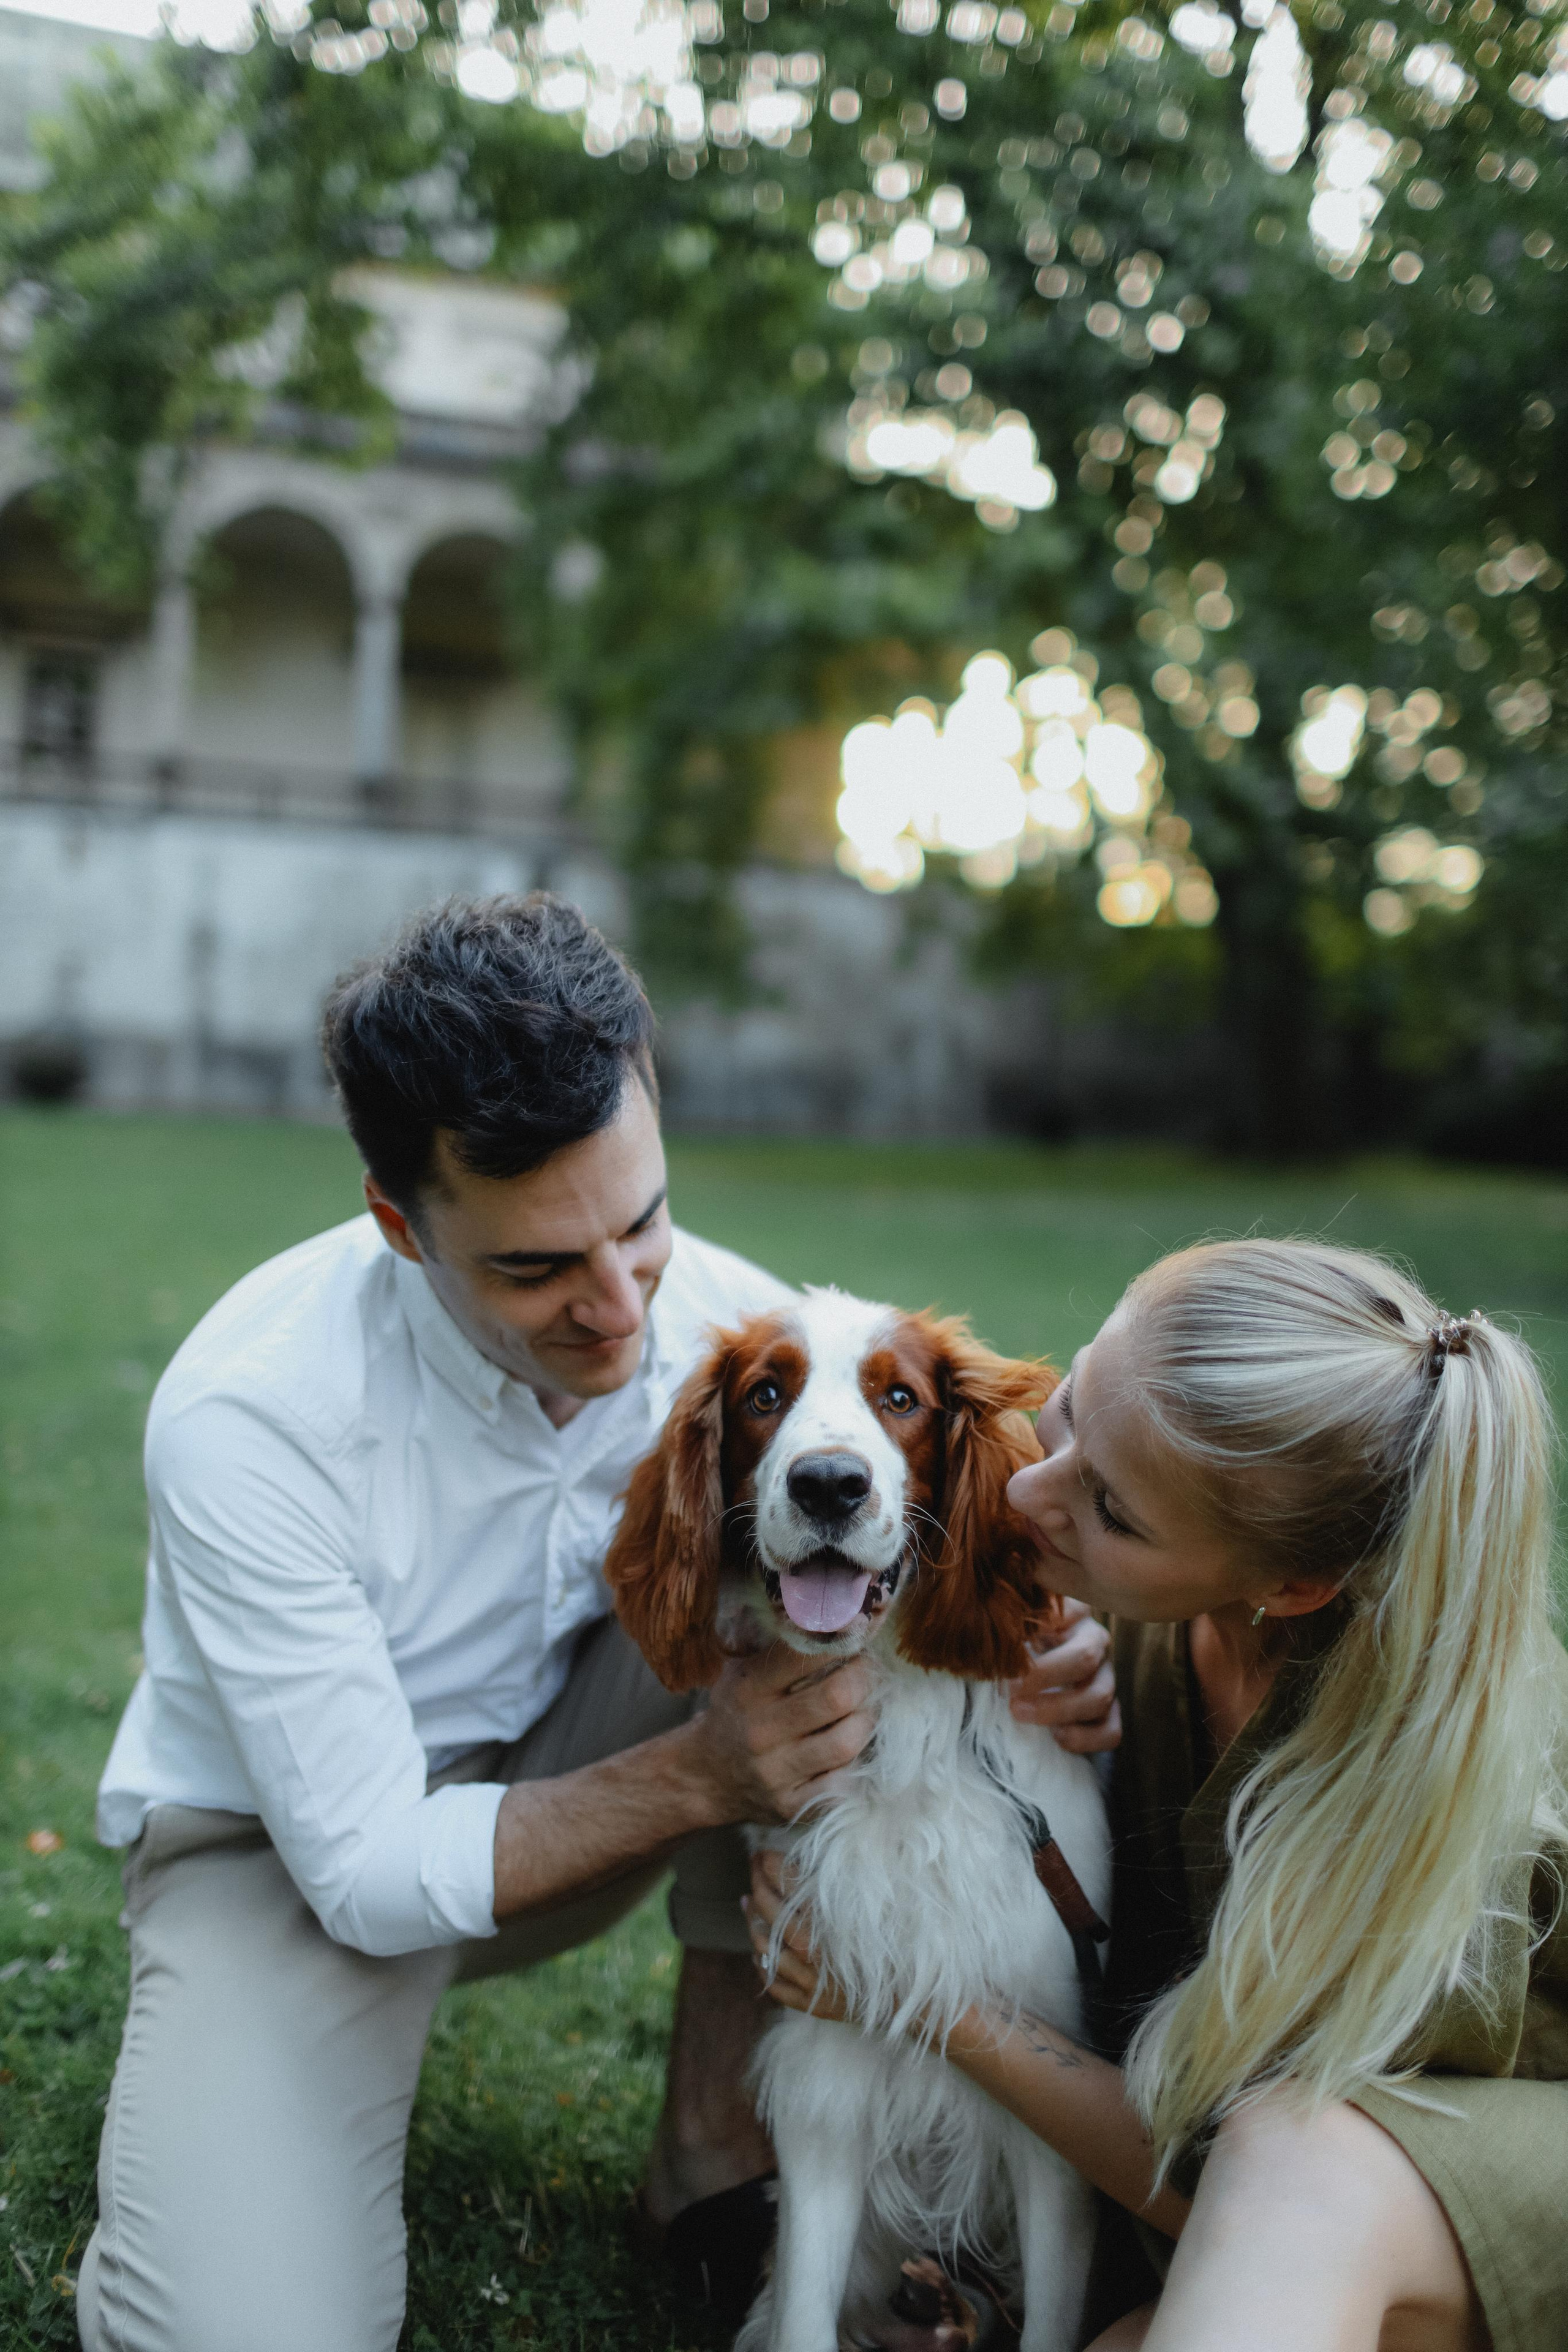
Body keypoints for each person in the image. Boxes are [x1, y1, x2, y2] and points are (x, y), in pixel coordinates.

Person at [78, 891, 1116, 2352]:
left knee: (779, 1568)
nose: (620, 1306)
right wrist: (703, 1775)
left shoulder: (716, 1325)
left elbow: (949, 1503)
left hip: (576, 1776)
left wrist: (1062, 1646)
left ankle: (711, 2139)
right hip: (292, 1863)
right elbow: (368, 1864)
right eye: (534, 1268)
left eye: (640, 1225)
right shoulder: (249, 1414)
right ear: (397, 1222)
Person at [750, 1237, 1568, 2352]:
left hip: (1440, 2168)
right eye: (1074, 1409)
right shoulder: (1133, 1643)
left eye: (1113, 1512)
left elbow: (1217, 2178)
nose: (1024, 1494)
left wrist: (932, 2003)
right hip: (1292, 2198)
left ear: (1289, 1587)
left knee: (1285, 2156)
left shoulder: (1415, 1778)